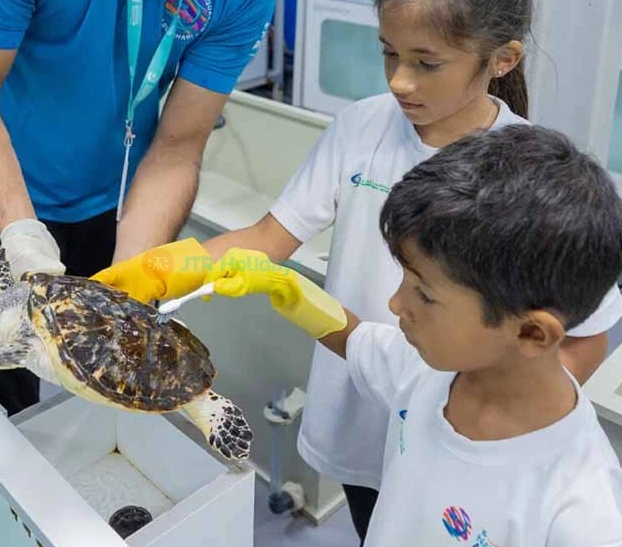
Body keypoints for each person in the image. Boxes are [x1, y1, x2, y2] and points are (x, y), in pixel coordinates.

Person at [92, 0, 622, 539]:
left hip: (467, 419)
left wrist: (492, 415)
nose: (399, 80)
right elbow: (272, 238)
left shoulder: (531, 176)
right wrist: (160, 271)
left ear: (502, 59)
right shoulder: (362, 128)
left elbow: (589, 333)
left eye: (427, 63)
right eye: (388, 52)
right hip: (371, 397)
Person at [203, 124, 622, 545]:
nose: (395, 304)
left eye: (423, 292)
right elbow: (353, 338)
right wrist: (286, 287)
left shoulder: (580, 512)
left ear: (532, 333)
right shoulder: (428, 371)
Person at [0, 0, 277, 416]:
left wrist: (132, 279)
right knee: (6, 393)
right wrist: (20, 237)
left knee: (113, 381)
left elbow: (177, 148)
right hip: (1, 200)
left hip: (120, 203)